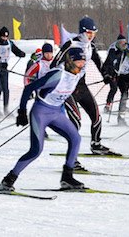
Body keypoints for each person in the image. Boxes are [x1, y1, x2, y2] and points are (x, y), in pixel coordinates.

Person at [0, 47, 87, 192]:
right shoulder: (58, 75)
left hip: (57, 112)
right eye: (79, 62)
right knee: (36, 150)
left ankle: (67, 178)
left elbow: (67, 87)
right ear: (70, 61)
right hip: (41, 113)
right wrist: (22, 112)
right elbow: (29, 89)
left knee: (75, 138)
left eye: (83, 62)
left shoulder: (78, 73)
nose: (82, 65)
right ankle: (8, 180)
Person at [51, 17, 110, 155]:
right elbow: (54, 64)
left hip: (82, 86)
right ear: (82, 32)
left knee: (96, 117)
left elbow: (99, 62)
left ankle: (96, 144)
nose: (91, 36)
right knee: (76, 122)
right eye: (89, 33)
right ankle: (72, 156)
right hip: (68, 88)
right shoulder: (70, 44)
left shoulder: (91, 46)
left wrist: (106, 76)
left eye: (94, 33)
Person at [0, 27, 26, 117]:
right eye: (3, 37)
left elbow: (16, 50)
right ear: (0, 36)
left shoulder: (9, 43)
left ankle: (6, 109)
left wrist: (21, 53)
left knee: (6, 89)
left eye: (6, 37)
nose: (5, 39)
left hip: (4, 68)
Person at [101, 34, 128, 114]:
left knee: (124, 89)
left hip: (117, 72)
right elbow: (112, 59)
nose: (123, 44)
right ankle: (107, 106)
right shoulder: (113, 49)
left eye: (124, 42)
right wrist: (109, 75)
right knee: (114, 88)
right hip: (109, 71)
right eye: (122, 42)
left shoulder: (123, 50)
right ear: (118, 43)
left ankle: (123, 106)